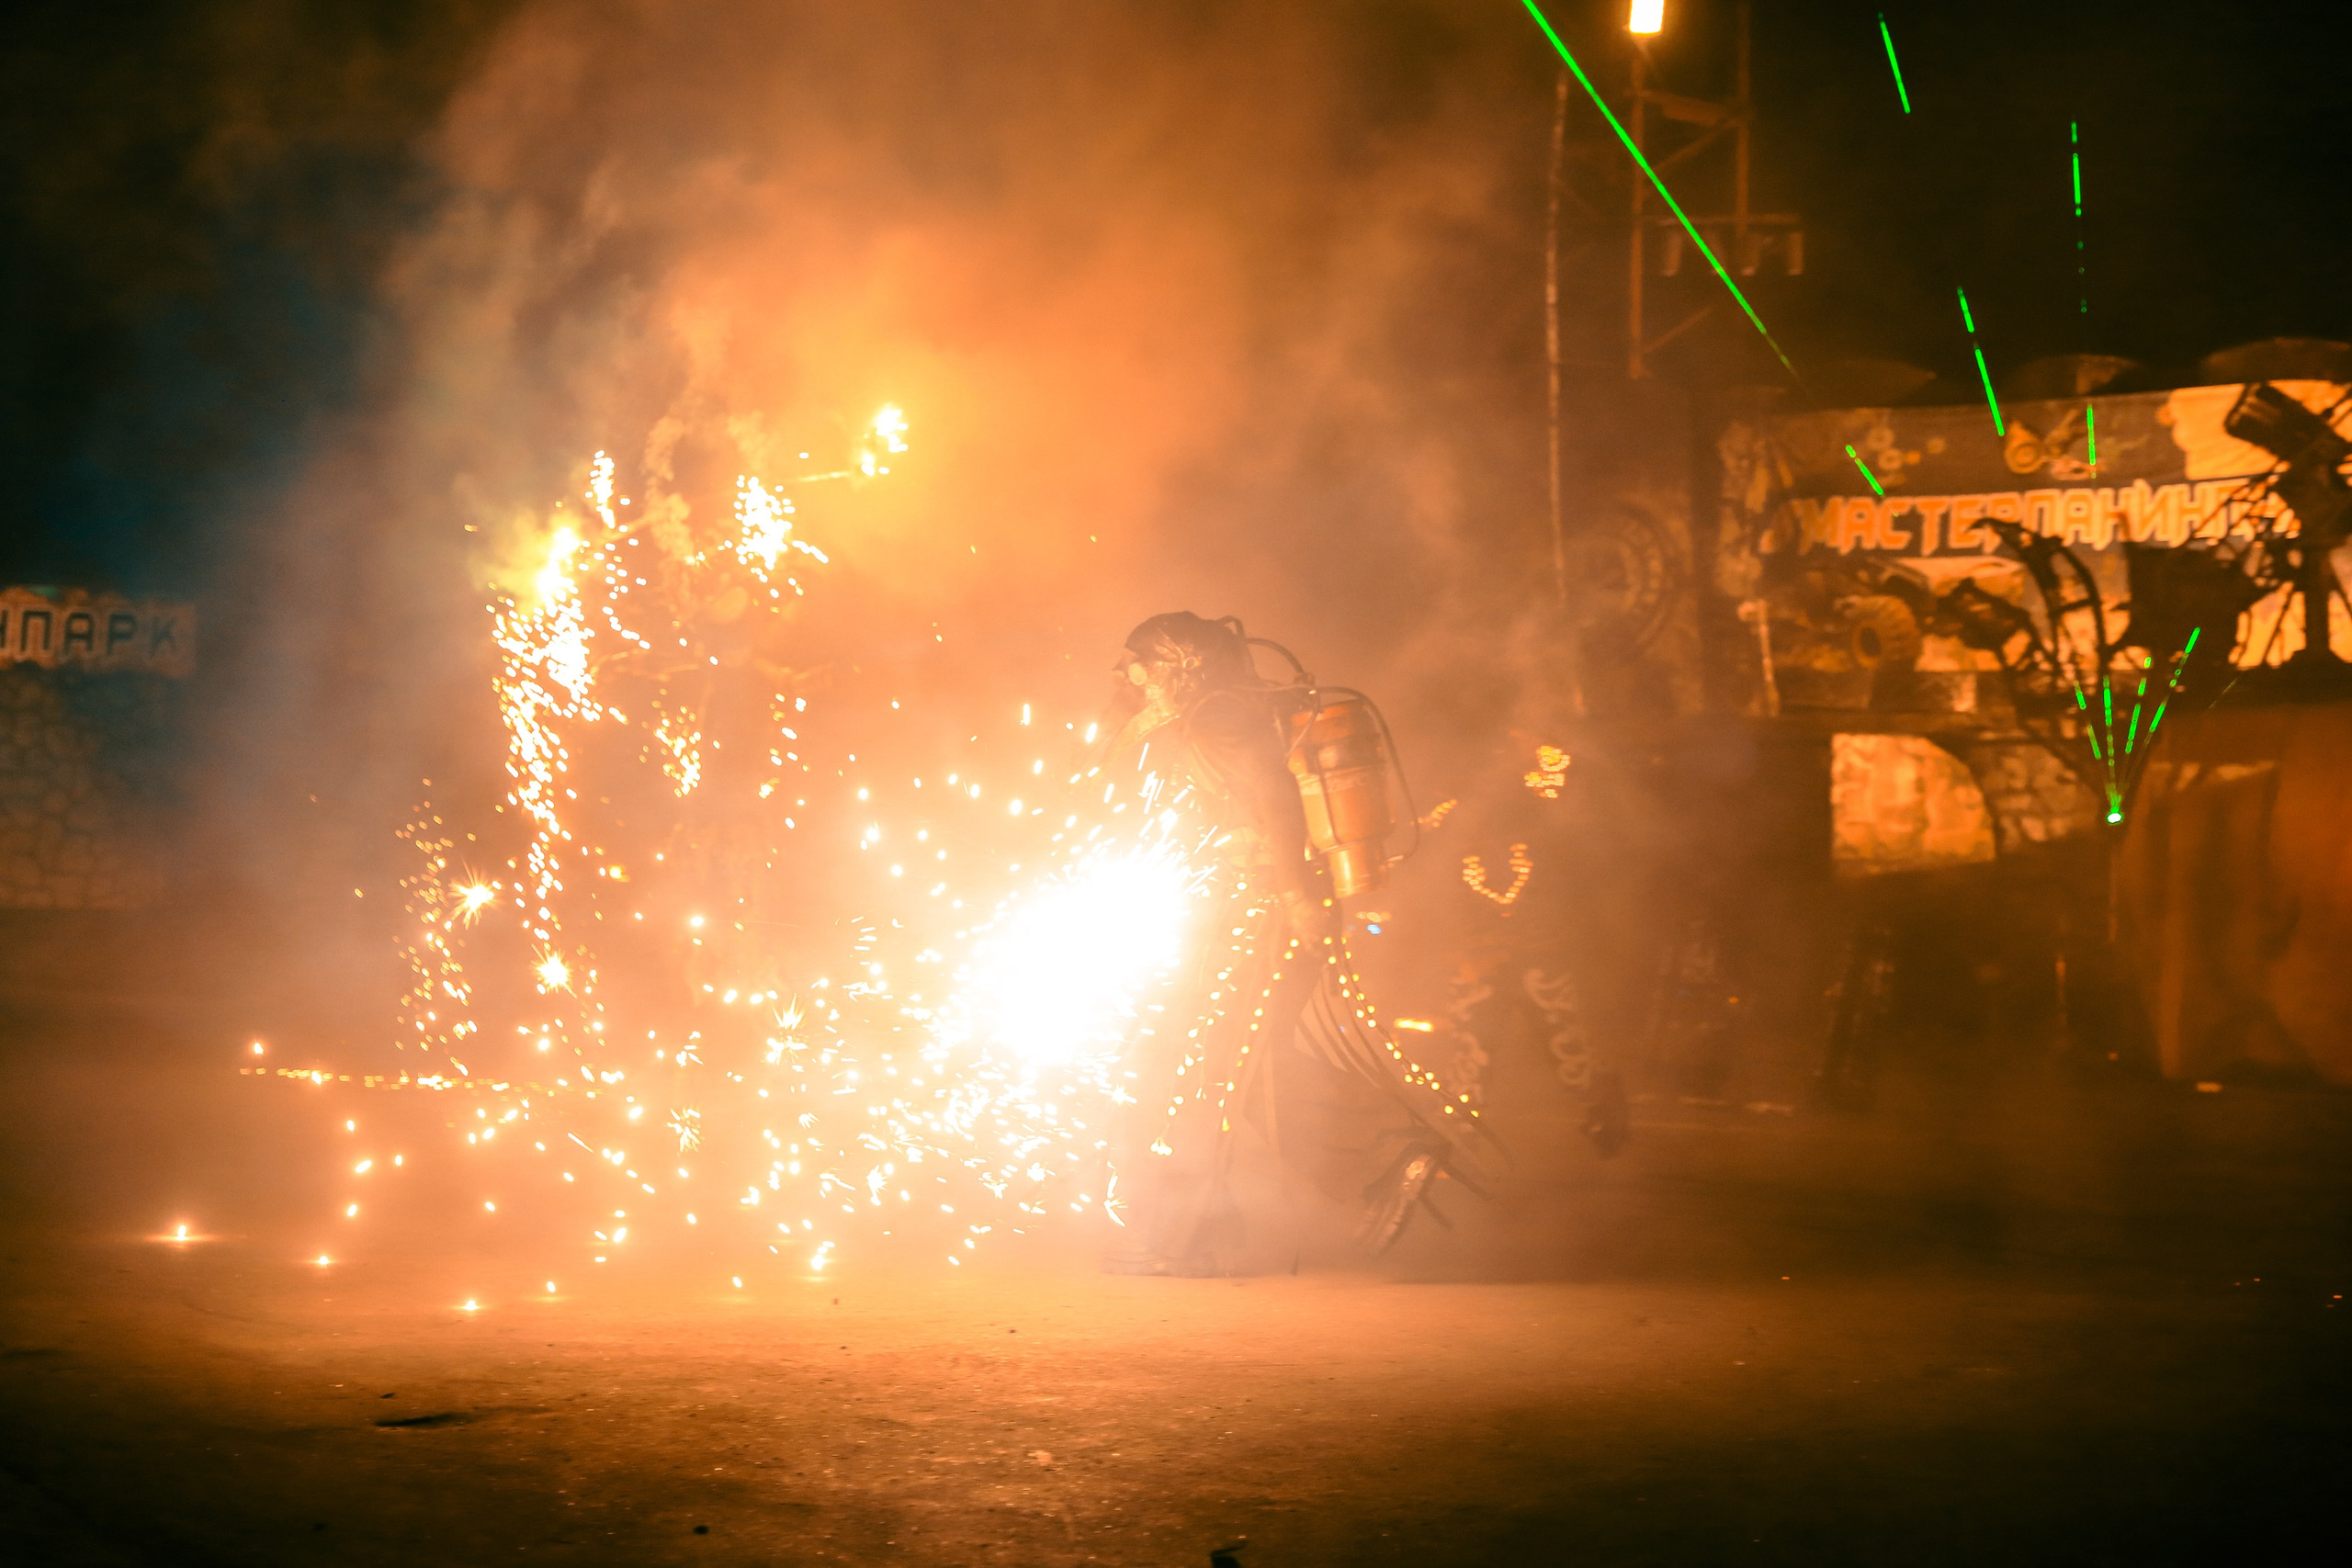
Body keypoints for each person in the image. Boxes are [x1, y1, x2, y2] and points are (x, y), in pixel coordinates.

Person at [1097, 612, 1487, 1274]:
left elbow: (1273, 795)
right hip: (1248, 909)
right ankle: (1391, 1152)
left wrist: (1294, 895)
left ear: (1177, 665)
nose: (1134, 678)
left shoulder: (1217, 718)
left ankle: (1194, 1238)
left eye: (1144, 665)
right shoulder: (1199, 719)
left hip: (1259, 912)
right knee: (1248, 1068)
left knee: (1210, 1064)